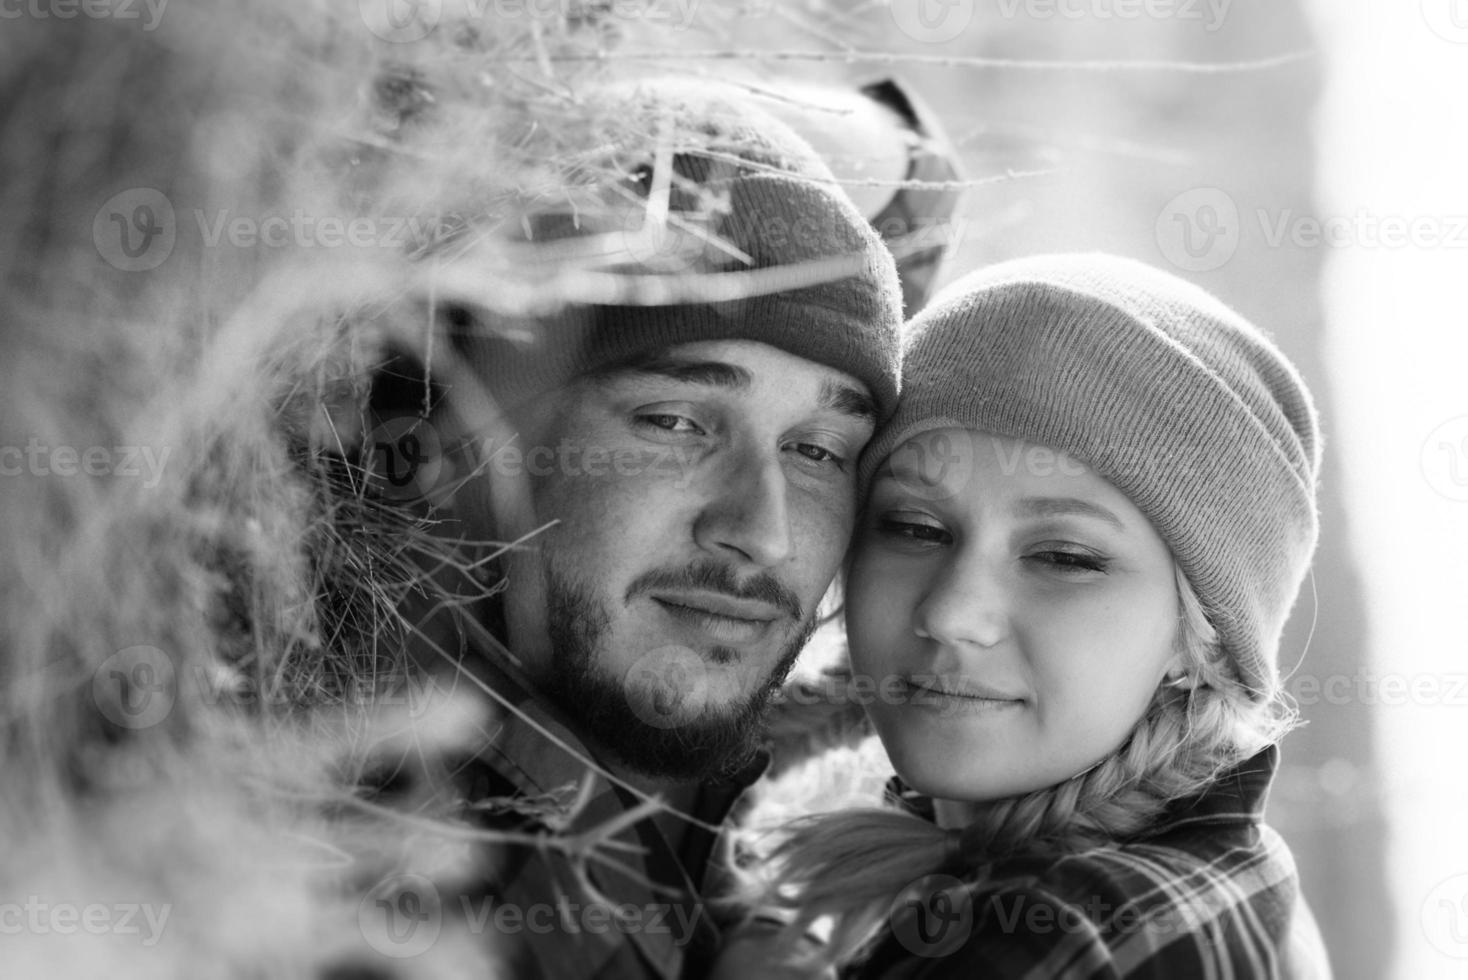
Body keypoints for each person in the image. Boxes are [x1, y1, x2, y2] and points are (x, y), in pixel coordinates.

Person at [365, 80, 905, 980]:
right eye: (675, 423)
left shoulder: (672, 820)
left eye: (817, 450)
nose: (762, 533)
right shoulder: (426, 886)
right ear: (461, 446)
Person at [719, 253, 1332, 978]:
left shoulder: (1066, 936)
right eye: (914, 528)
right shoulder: (1226, 868)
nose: (952, 613)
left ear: (1198, 634)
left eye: (1066, 558)